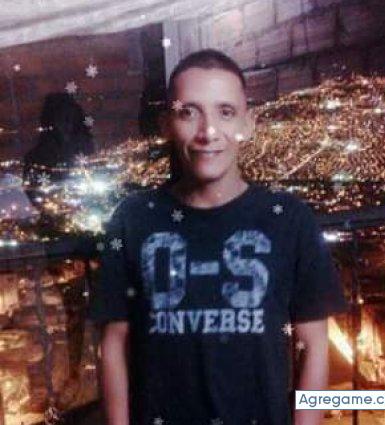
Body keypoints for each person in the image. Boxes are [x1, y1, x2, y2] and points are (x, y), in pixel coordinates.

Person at [89, 49, 347, 425]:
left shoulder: (290, 220)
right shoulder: (134, 219)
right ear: (166, 125)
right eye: (188, 112)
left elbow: (315, 345)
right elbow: (114, 343)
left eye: (225, 112)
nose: (208, 131)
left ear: (248, 124)